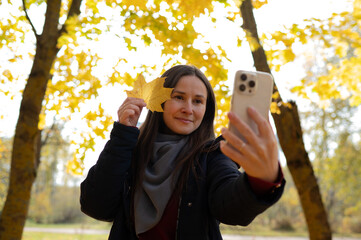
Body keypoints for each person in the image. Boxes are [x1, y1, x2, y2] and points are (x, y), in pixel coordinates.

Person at [80, 64, 285, 240]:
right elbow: (96, 205)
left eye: (197, 101)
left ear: (206, 110)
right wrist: (123, 135)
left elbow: (230, 208)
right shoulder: (130, 151)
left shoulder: (213, 154)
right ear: (159, 102)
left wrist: (261, 181)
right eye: (179, 97)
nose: (188, 108)